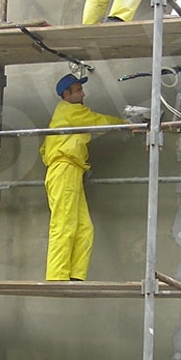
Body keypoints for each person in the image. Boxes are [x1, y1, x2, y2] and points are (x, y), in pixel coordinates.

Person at [40, 73, 126, 281]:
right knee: (63, 223)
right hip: (65, 169)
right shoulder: (69, 110)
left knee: (84, 228)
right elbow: (97, 121)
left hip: (70, 171)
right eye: (78, 90)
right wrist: (126, 124)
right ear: (66, 94)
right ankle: (57, 277)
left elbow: (44, 149)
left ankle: (75, 276)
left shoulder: (63, 117)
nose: (83, 94)